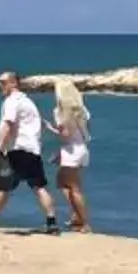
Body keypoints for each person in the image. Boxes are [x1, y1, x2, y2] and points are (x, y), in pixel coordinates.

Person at [0, 70, 59, 234]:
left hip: (18, 149)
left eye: (4, 82)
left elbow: (8, 124)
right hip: (33, 149)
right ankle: (52, 223)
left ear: (14, 83)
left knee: (3, 185)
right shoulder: (29, 103)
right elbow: (38, 124)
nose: (1, 86)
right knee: (39, 186)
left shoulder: (12, 101)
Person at [50, 75, 93, 232]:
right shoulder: (82, 110)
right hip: (81, 148)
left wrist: (50, 129)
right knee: (63, 183)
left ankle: (84, 221)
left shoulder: (60, 112)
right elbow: (85, 131)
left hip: (71, 150)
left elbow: (65, 134)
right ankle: (77, 216)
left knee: (72, 187)